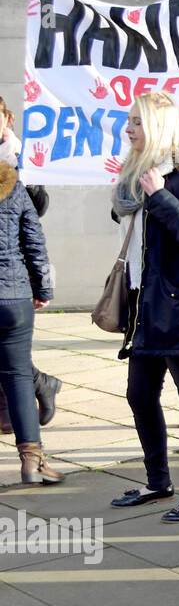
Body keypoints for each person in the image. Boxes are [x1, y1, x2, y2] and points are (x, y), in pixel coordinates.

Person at [107, 92, 179, 521]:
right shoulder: (133, 177)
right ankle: (158, 480)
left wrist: (158, 195)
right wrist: (139, 193)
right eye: (128, 121)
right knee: (139, 395)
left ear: (157, 126)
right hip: (146, 307)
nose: (128, 129)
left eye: (136, 121)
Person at [0, 95, 60, 432]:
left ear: (6, 119)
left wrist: (24, 172)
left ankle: (27, 396)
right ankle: (38, 385)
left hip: (13, 259)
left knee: (10, 349)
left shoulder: (19, 155)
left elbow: (39, 207)